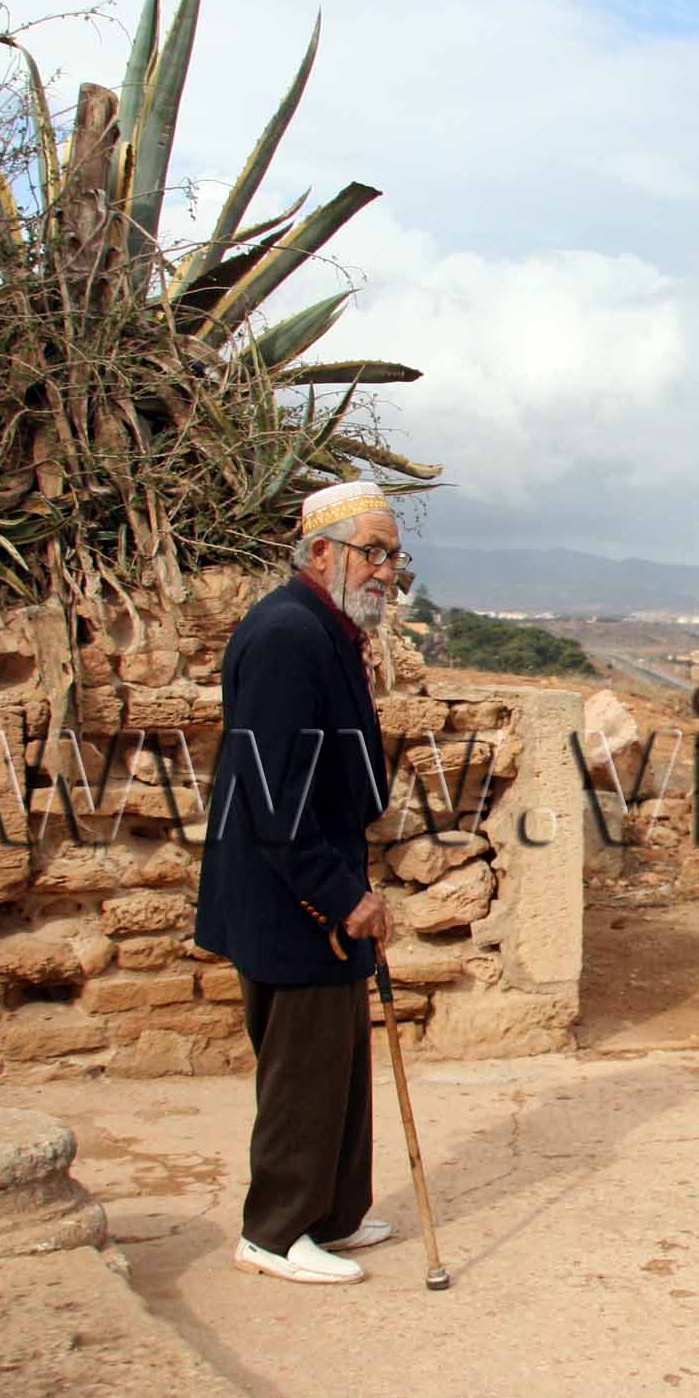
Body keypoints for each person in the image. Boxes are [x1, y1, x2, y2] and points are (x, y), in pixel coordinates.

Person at [193, 480, 411, 1285]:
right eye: (372, 552)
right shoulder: (289, 635)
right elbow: (272, 794)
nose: (386, 570)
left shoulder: (329, 628)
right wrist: (343, 893)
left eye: (394, 556)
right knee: (302, 1067)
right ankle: (275, 1230)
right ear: (321, 551)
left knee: (337, 1058)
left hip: (315, 875)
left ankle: (333, 1213)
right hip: (290, 890)